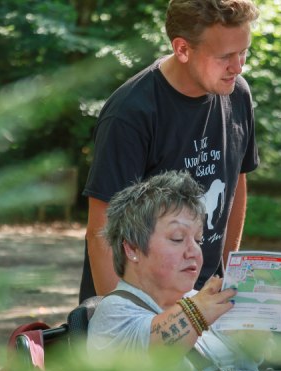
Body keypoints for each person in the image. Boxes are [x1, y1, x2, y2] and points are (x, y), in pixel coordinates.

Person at [79, 0, 260, 302]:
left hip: (204, 296)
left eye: (244, 52)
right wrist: (123, 326)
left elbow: (235, 183)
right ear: (183, 49)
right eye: (225, 56)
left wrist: (230, 276)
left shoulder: (237, 93)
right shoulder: (131, 113)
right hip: (140, 303)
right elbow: (101, 234)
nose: (238, 66)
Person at [87, 171, 281, 371]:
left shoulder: (199, 301)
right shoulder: (114, 312)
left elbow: (251, 368)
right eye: (178, 239)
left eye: (199, 240)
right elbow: (155, 349)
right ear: (131, 249)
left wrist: (253, 340)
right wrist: (199, 311)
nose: (194, 252)